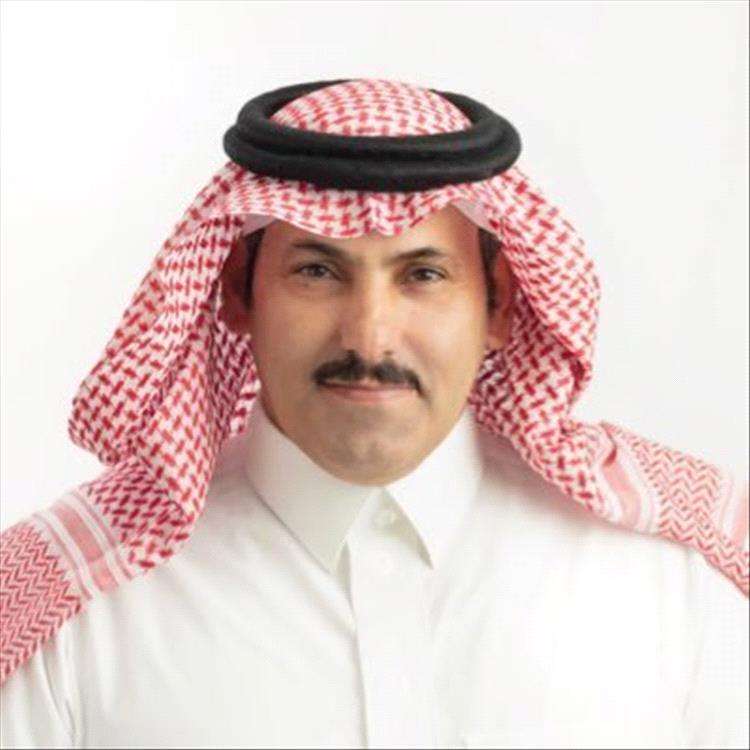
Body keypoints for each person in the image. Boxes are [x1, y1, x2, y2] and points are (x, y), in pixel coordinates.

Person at [1, 78, 747, 749]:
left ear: (499, 306)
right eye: (317, 271)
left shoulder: (677, 583)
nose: (368, 337)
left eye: (423, 274)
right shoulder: (65, 616)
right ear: (236, 295)